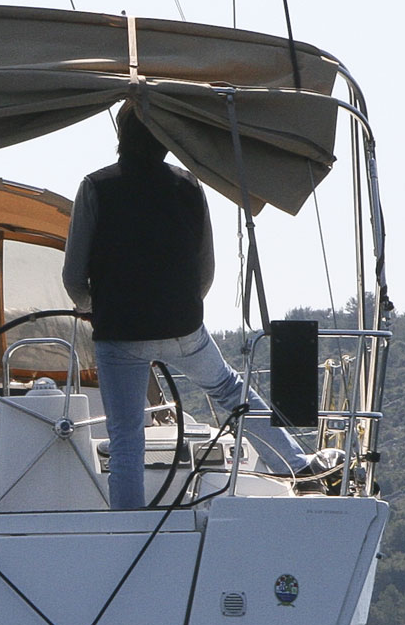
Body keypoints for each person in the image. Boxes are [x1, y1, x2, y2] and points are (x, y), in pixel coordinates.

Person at [62, 102, 316, 509]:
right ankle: (298, 466)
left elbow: (74, 278)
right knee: (229, 389)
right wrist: (176, 309)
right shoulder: (190, 185)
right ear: (167, 138)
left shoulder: (94, 187)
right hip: (183, 327)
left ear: (121, 137)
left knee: (126, 437)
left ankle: (131, 528)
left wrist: (96, 306)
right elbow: (205, 272)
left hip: (120, 334)